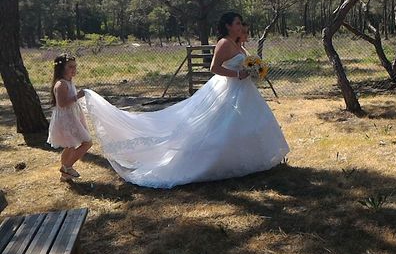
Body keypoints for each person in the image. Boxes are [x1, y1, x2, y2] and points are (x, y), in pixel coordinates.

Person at [83, 12, 290, 188]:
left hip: (244, 90)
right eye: (236, 23)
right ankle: (217, 161)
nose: (240, 26)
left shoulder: (238, 44)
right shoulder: (224, 43)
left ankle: (251, 158)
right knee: (221, 126)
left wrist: (252, 71)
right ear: (227, 26)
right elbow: (214, 68)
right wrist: (238, 75)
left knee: (250, 122)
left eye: (240, 23)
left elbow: (243, 63)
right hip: (229, 88)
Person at [47, 54, 92, 182]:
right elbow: (62, 104)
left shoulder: (68, 82)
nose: (74, 69)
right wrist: (78, 96)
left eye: (75, 66)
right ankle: (67, 167)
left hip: (73, 117)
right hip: (66, 119)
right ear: (62, 68)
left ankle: (65, 174)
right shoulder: (61, 84)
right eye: (70, 67)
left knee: (70, 146)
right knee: (86, 142)